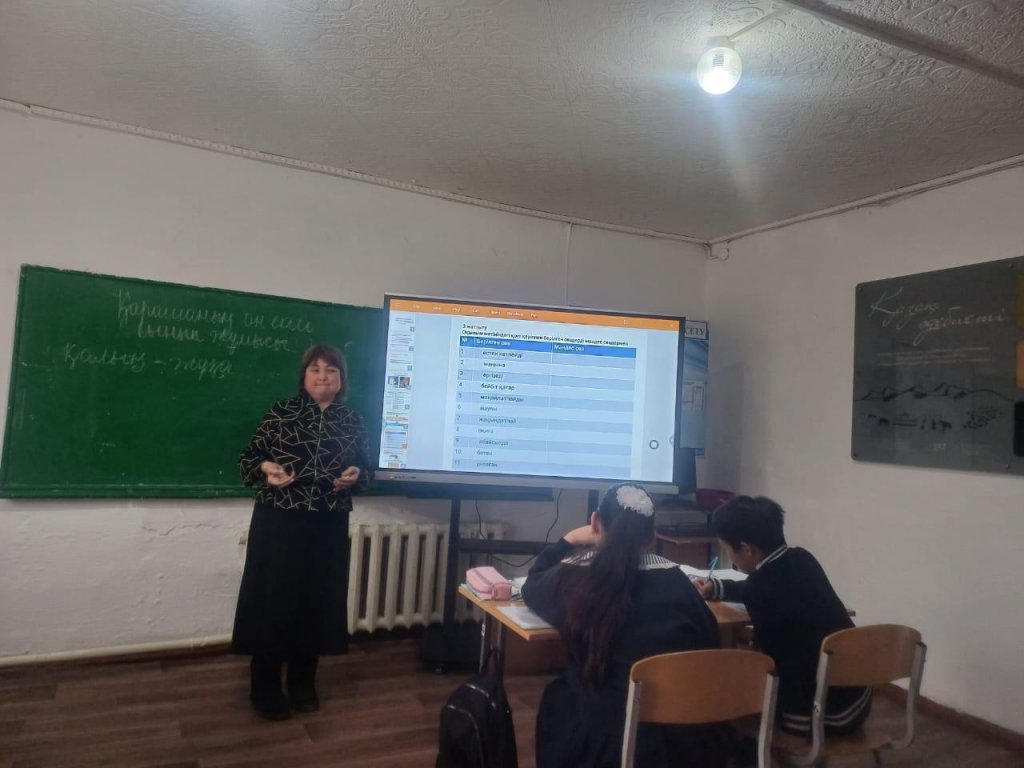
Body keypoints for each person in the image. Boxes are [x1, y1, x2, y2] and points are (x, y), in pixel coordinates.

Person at [522, 483, 733, 768]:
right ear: (652, 535)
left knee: (560, 697)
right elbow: (709, 643)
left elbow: (533, 584)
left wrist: (569, 539)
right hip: (683, 743)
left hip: (603, 742)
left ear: (596, 523)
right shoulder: (679, 582)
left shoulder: (574, 576)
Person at [232, 343, 370, 721]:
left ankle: (303, 682)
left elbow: (366, 470)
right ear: (304, 376)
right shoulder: (282, 412)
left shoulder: (352, 421)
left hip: (327, 520)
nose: (323, 377)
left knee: (316, 600)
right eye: (315, 369)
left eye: (331, 370)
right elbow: (249, 458)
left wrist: (356, 475)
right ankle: (264, 685)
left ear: (342, 379)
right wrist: (267, 468)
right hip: (279, 519)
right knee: (274, 599)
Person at [693, 495, 871, 737]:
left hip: (820, 714)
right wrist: (717, 587)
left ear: (747, 549)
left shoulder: (759, 588)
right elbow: (766, 586)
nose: (729, 556)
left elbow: (767, 660)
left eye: (727, 549)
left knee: (733, 706)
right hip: (857, 697)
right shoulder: (801, 558)